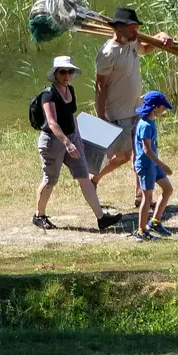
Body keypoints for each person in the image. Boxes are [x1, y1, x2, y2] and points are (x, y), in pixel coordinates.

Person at [33, 56, 123, 231]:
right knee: (50, 179)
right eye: (63, 72)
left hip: (72, 139)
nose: (67, 75)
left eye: (70, 71)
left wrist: (78, 138)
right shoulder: (48, 95)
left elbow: (72, 116)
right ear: (55, 73)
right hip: (52, 142)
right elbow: (52, 122)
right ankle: (39, 215)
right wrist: (67, 143)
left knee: (84, 177)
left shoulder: (70, 90)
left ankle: (101, 218)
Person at [93, 5, 171, 181]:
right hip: (118, 114)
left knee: (142, 152)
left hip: (137, 109)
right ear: (119, 28)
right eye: (132, 29)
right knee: (124, 156)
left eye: (137, 29)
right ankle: (96, 177)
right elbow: (100, 86)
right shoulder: (107, 53)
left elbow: (146, 48)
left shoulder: (132, 43)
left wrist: (162, 37)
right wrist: (101, 117)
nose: (136, 33)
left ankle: (141, 195)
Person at [94, 90, 175, 239]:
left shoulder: (150, 122)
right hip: (146, 166)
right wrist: (162, 165)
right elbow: (146, 150)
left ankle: (155, 222)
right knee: (147, 198)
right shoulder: (145, 126)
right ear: (155, 107)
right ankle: (141, 231)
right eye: (163, 107)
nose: (164, 110)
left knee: (168, 189)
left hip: (153, 165)